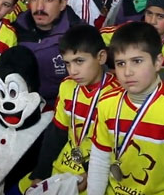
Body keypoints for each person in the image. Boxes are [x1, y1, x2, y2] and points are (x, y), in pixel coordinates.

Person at [87, 22, 164, 195]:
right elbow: (99, 160)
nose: (128, 72)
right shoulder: (106, 103)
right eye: (121, 63)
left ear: (158, 62)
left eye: (137, 61)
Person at [23, 25, 120, 193]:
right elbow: (56, 133)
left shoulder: (118, 94)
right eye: (67, 63)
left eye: (79, 61)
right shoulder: (67, 86)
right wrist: (41, 172)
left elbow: (121, 149)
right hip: (62, 165)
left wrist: (91, 174)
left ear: (101, 57)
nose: (73, 71)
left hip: (97, 173)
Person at [13, 0, 86, 105]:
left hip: (64, 110)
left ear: (62, 4)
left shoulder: (79, 36)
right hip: (20, 108)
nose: (39, 7)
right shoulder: (14, 30)